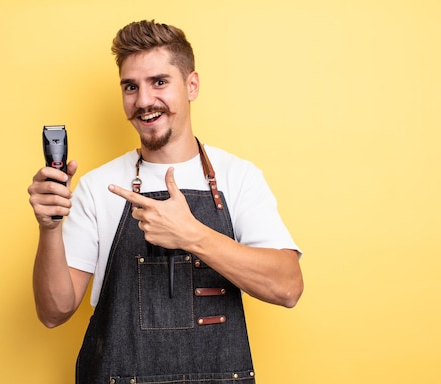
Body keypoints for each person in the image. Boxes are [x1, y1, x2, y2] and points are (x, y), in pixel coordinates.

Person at [28, 19, 303, 384]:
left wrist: (191, 235)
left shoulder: (238, 177)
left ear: (191, 85)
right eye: (130, 87)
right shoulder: (97, 187)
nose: (143, 101)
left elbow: (287, 288)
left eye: (159, 82)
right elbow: (54, 312)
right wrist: (49, 228)